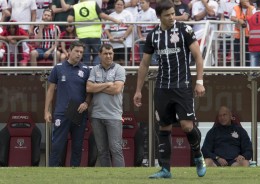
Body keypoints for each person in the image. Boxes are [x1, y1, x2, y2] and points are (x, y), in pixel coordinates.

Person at [133, 0, 206, 179]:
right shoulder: (153, 36)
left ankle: (198, 156)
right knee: (164, 127)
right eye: (167, 15)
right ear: (159, 17)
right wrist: (138, 90)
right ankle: (165, 169)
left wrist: (200, 81)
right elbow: (144, 64)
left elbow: (198, 56)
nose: (172, 17)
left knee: (186, 126)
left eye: (173, 13)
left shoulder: (184, 30)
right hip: (162, 87)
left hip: (182, 85)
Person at [44, 41, 92, 167]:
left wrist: (87, 103)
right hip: (62, 112)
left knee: (77, 145)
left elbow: (90, 91)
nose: (79, 54)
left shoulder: (86, 70)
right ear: (69, 51)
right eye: (76, 51)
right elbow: (50, 90)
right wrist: (47, 111)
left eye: (81, 52)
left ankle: (74, 173)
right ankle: (52, 172)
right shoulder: (58, 68)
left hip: (79, 112)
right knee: (57, 145)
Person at [86, 43, 126, 167]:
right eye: (105, 54)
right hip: (97, 115)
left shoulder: (119, 69)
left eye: (110, 53)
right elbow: (88, 88)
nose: (108, 56)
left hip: (114, 115)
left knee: (116, 149)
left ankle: (120, 179)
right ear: (99, 55)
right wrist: (107, 84)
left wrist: (97, 87)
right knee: (102, 151)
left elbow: (116, 90)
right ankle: (107, 177)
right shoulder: (94, 69)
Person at [67, 0, 121, 66]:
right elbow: (102, 15)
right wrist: (115, 20)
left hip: (83, 35)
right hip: (95, 35)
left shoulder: (75, 6)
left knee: (86, 56)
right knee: (97, 55)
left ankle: (86, 73)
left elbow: (69, 19)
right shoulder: (93, 4)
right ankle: (95, 72)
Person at [104, 0, 134, 66]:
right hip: (114, 43)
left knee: (124, 61)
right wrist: (110, 36)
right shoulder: (111, 15)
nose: (119, 6)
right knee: (115, 61)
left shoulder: (128, 14)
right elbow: (106, 28)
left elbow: (131, 26)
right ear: (115, 5)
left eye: (121, 4)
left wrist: (124, 37)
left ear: (123, 6)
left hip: (125, 42)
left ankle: (126, 75)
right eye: (118, 4)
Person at [231, 0, 256, 66]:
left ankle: (248, 71)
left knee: (248, 55)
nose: (245, 1)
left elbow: (254, 18)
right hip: (238, 36)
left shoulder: (253, 8)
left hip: (249, 36)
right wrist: (239, 20)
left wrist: (249, 7)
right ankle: (238, 73)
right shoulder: (236, 7)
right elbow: (232, 17)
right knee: (238, 55)